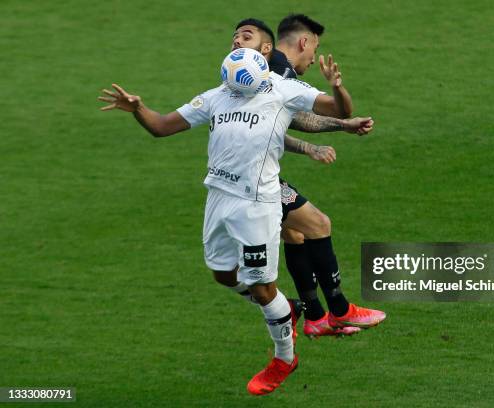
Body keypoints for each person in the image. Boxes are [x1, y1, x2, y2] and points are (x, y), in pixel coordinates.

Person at [97, 52, 373, 394]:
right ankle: (285, 309)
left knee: (261, 287)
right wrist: (138, 108)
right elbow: (162, 126)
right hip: (218, 197)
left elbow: (340, 110)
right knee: (224, 274)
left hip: (257, 205)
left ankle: (284, 358)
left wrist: (337, 87)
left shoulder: (283, 89)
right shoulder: (216, 96)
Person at [233, 16, 386, 337]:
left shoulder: (260, 70)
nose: (315, 57)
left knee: (295, 235)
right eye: (316, 47)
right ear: (304, 42)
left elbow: (279, 122)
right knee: (318, 224)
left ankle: (315, 317)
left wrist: (331, 133)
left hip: (238, 177)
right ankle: (341, 310)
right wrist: (320, 139)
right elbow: (270, 125)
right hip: (251, 181)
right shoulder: (275, 66)